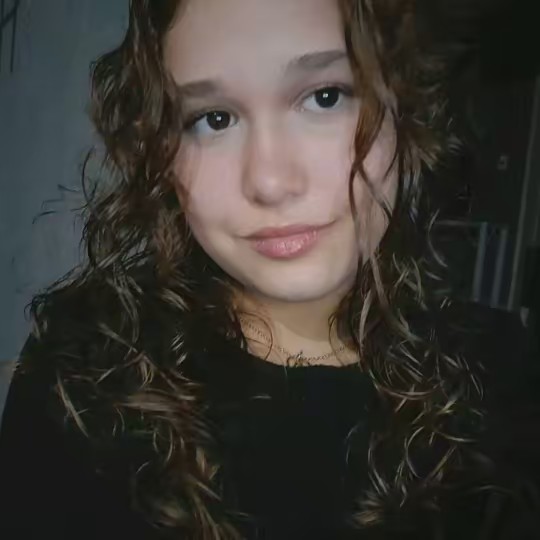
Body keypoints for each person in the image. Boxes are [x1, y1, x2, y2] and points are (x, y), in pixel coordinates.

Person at [1, 0, 539, 538]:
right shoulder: (85, 373)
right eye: (213, 119)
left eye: (325, 96)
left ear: (405, 108)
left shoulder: (502, 378)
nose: (270, 182)